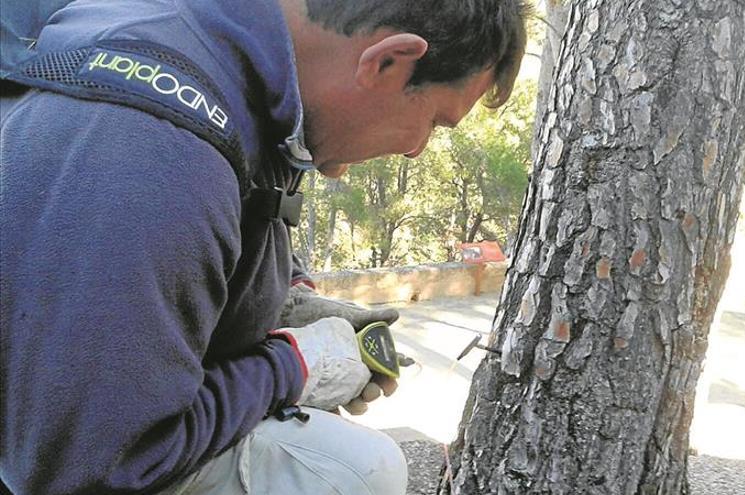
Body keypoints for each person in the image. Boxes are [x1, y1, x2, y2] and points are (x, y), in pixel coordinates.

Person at [0, 0, 529, 493]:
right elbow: (93, 467)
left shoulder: (237, 66)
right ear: (388, 61)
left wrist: (284, 297)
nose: (417, 150)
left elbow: (243, 211)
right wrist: (294, 367)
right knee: (355, 471)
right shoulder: (155, 152)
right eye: (435, 121)